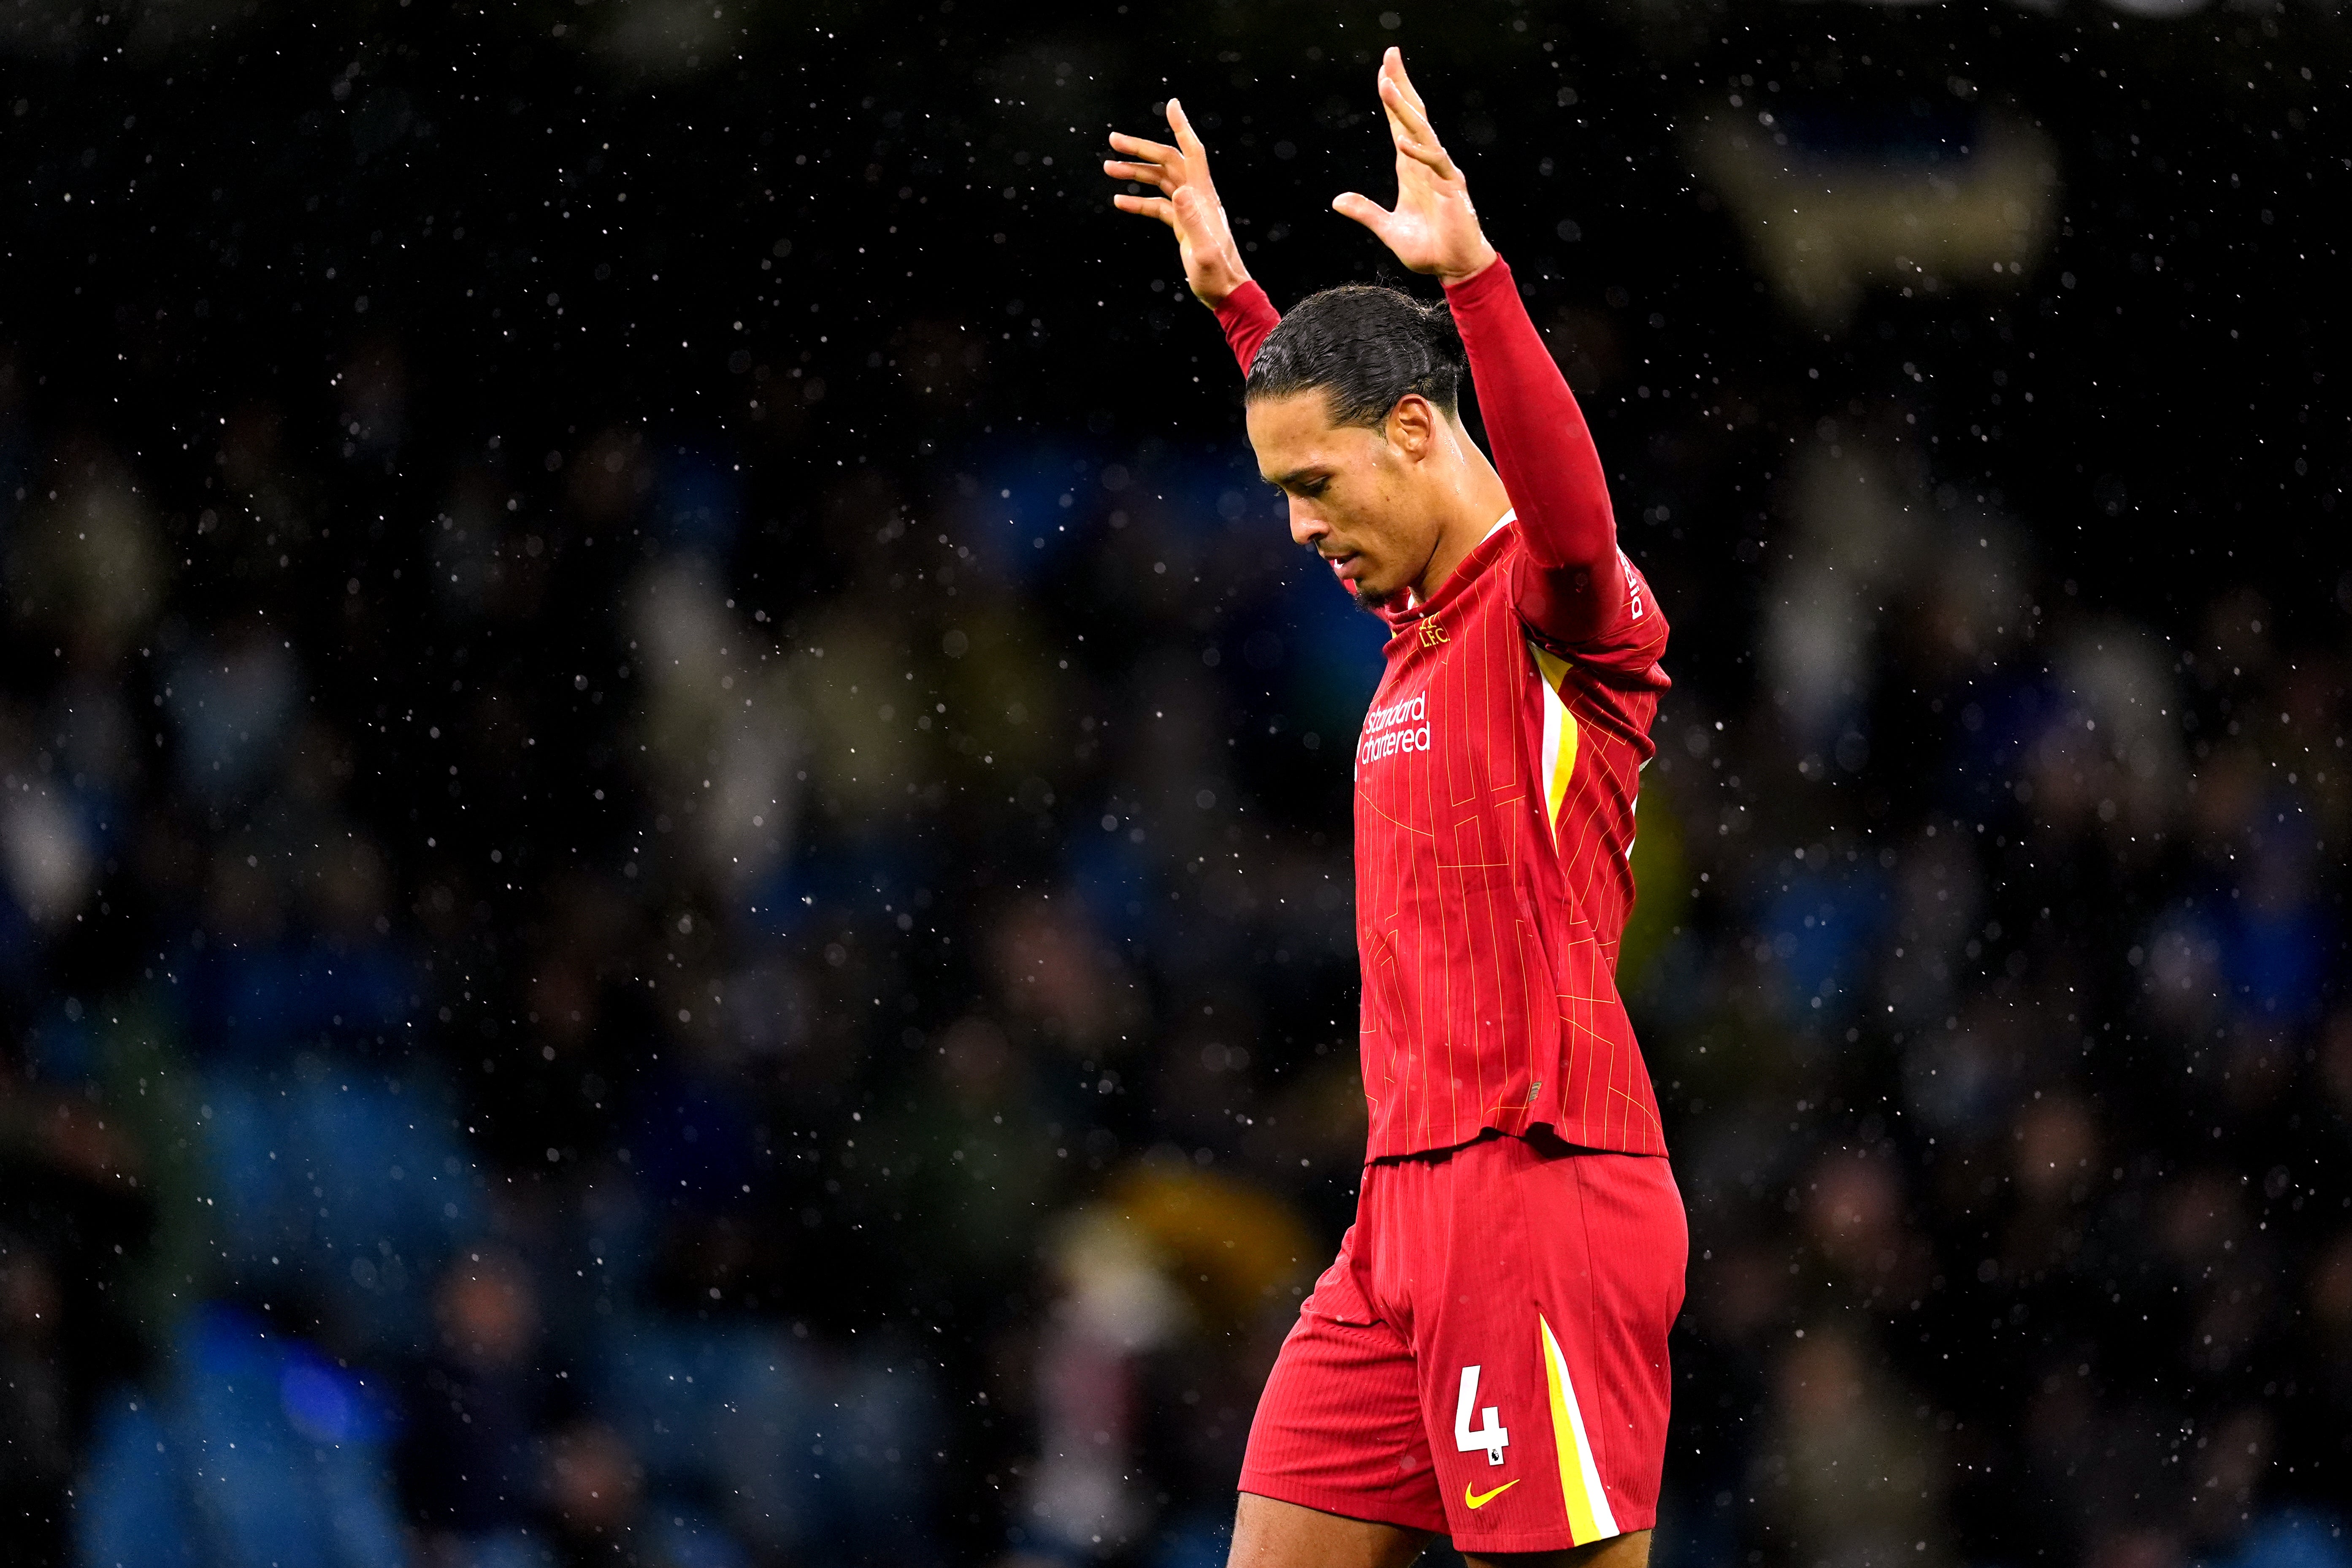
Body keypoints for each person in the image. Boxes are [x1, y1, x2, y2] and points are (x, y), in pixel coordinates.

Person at [1103, 49, 1685, 1568]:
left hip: (1539, 1191)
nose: (1298, 528)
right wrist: (1245, 306)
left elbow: (1566, 522)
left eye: (1316, 487)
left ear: (1421, 433)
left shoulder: (1562, 620)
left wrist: (1478, 278)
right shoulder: (1422, 626)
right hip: (1397, 1220)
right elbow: (1348, 407)